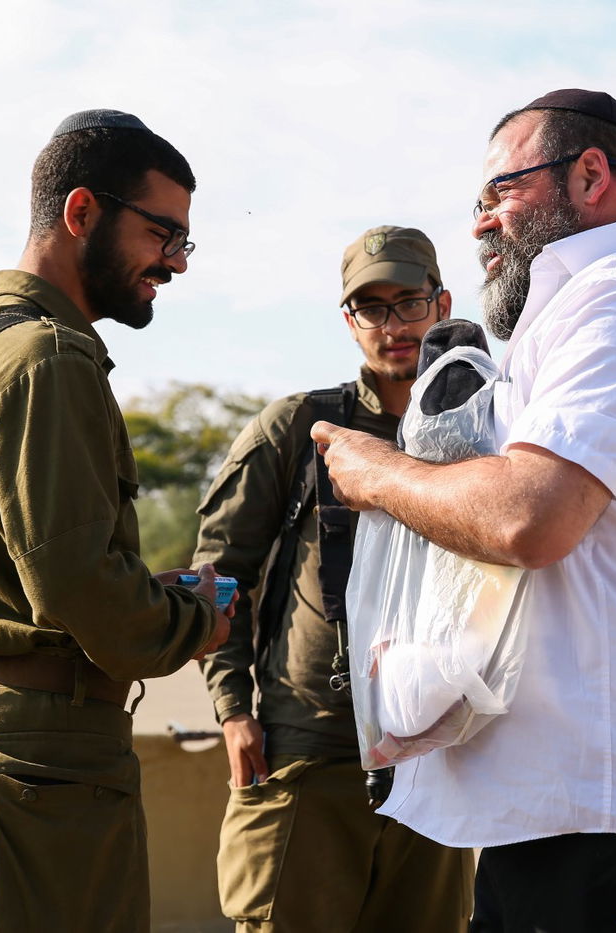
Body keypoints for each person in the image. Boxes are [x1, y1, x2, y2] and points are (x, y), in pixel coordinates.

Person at [311, 90, 616, 932]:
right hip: (570, 813)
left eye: (500, 192)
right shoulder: (593, 308)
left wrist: (377, 472)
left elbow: (530, 516)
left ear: (590, 175)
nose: (480, 223)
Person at [0, 109, 231, 933]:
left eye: (184, 240)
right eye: (162, 233)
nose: (176, 262)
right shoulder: (49, 357)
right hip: (36, 755)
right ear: (82, 212)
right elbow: (75, 583)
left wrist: (127, 595)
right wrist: (193, 620)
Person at [193, 225, 474, 933]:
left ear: (442, 304)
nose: (393, 325)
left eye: (409, 302)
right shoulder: (300, 428)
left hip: (437, 754)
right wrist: (233, 710)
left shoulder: (481, 432)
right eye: (371, 308)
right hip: (310, 748)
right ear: (350, 322)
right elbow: (219, 576)